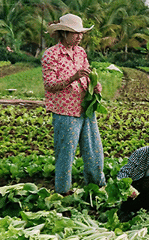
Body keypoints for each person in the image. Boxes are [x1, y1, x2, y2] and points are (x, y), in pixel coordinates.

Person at [42, 13, 106, 195]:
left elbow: (87, 74)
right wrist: (72, 78)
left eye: (81, 33)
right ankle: (63, 192)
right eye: (75, 33)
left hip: (86, 108)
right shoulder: (51, 55)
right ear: (63, 33)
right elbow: (49, 85)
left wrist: (95, 85)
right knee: (66, 154)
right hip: (65, 111)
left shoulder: (81, 53)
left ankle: (96, 187)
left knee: (93, 149)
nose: (79, 37)